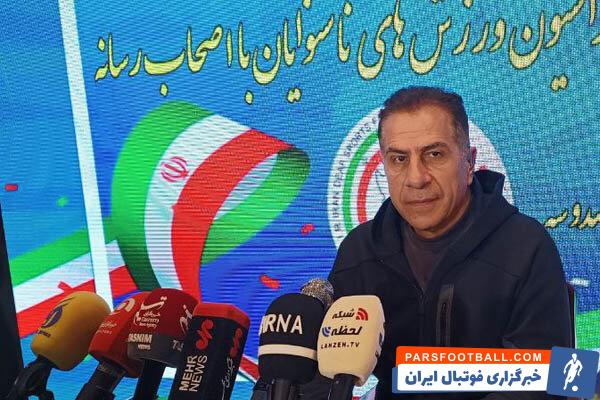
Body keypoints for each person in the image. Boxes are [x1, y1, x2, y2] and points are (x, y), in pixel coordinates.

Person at [324, 86, 572, 399]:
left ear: (469, 163)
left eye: (434, 155)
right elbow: (324, 374)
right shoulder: (360, 250)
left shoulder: (527, 246)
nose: (416, 178)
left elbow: (558, 379)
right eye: (399, 159)